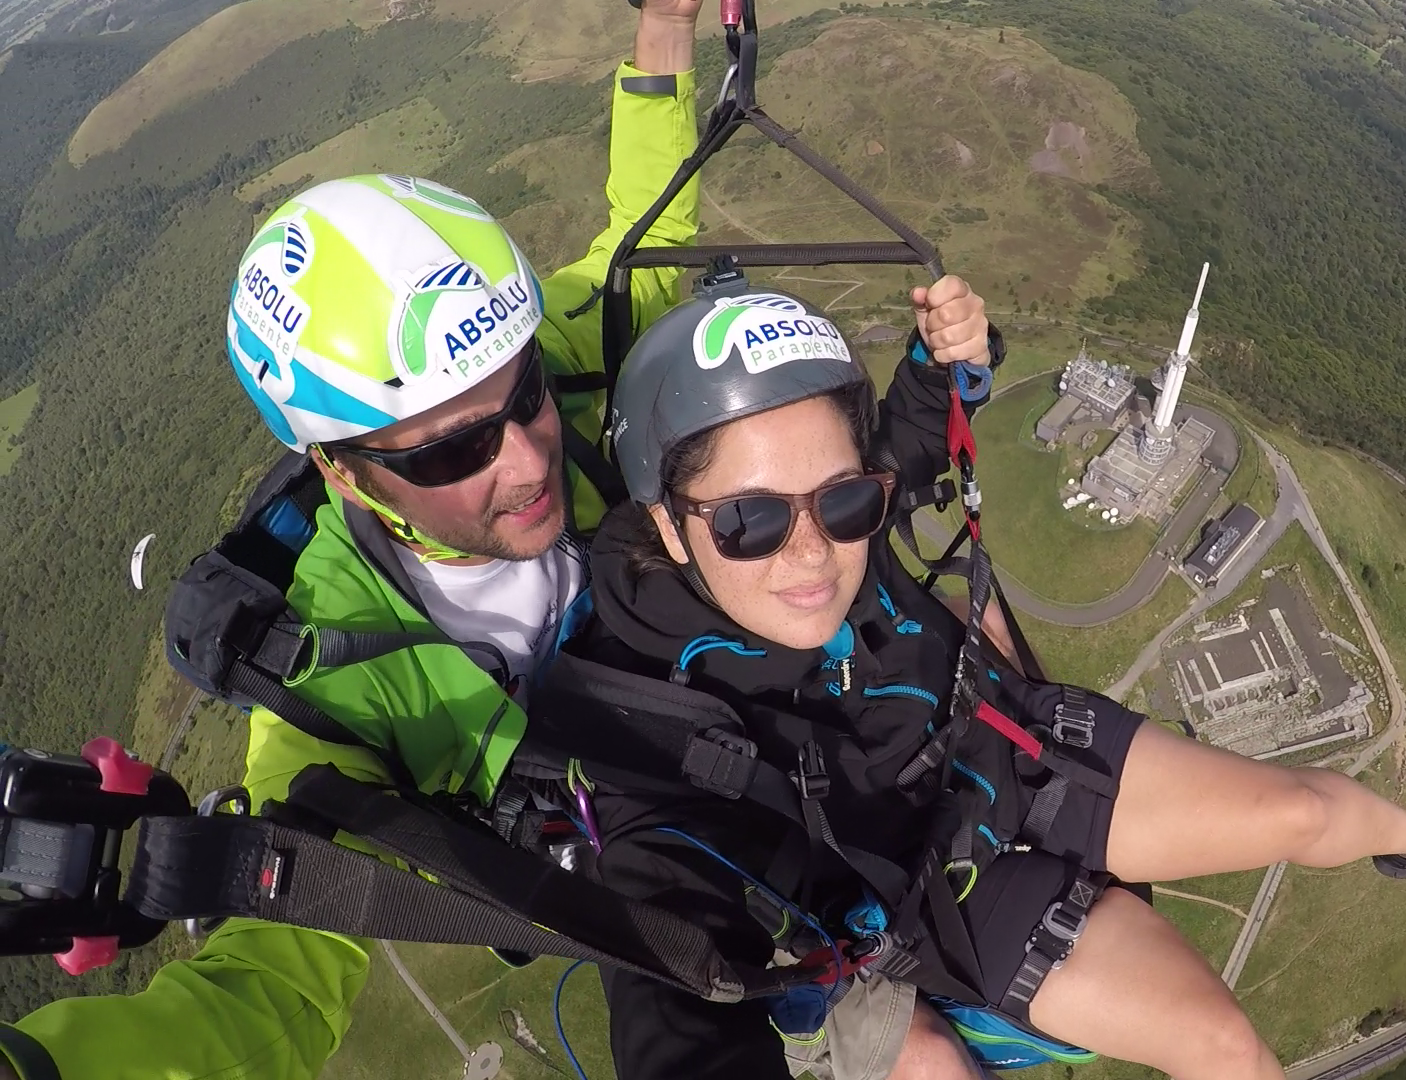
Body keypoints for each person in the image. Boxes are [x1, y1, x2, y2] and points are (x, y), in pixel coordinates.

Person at [0, 5, 977, 1078]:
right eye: (449, 451)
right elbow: (273, 985)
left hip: (792, 726)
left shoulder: (539, 360)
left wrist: (664, 28)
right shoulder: (331, 673)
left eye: (524, 397)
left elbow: (632, 252)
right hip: (680, 882)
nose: (526, 459)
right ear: (342, 471)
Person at [557, 280, 1406, 1080]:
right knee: (1228, 1052)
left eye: (845, 502)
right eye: (752, 521)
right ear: (667, 522)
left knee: (1308, 813)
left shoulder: (849, 505)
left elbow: (913, 426)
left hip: (1021, 746)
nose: (812, 552)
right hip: (950, 889)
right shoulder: (642, 704)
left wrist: (948, 351)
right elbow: (666, 967)